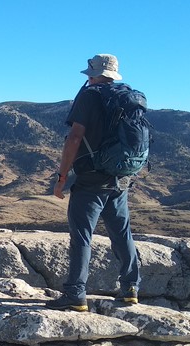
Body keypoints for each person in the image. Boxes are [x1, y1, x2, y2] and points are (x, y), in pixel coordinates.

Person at [48, 54, 141, 312]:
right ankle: (131, 288)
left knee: (82, 236)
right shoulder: (128, 96)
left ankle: (76, 294)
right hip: (120, 178)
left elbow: (75, 137)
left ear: (92, 73)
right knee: (122, 234)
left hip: (90, 179)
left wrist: (62, 177)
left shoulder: (89, 96)